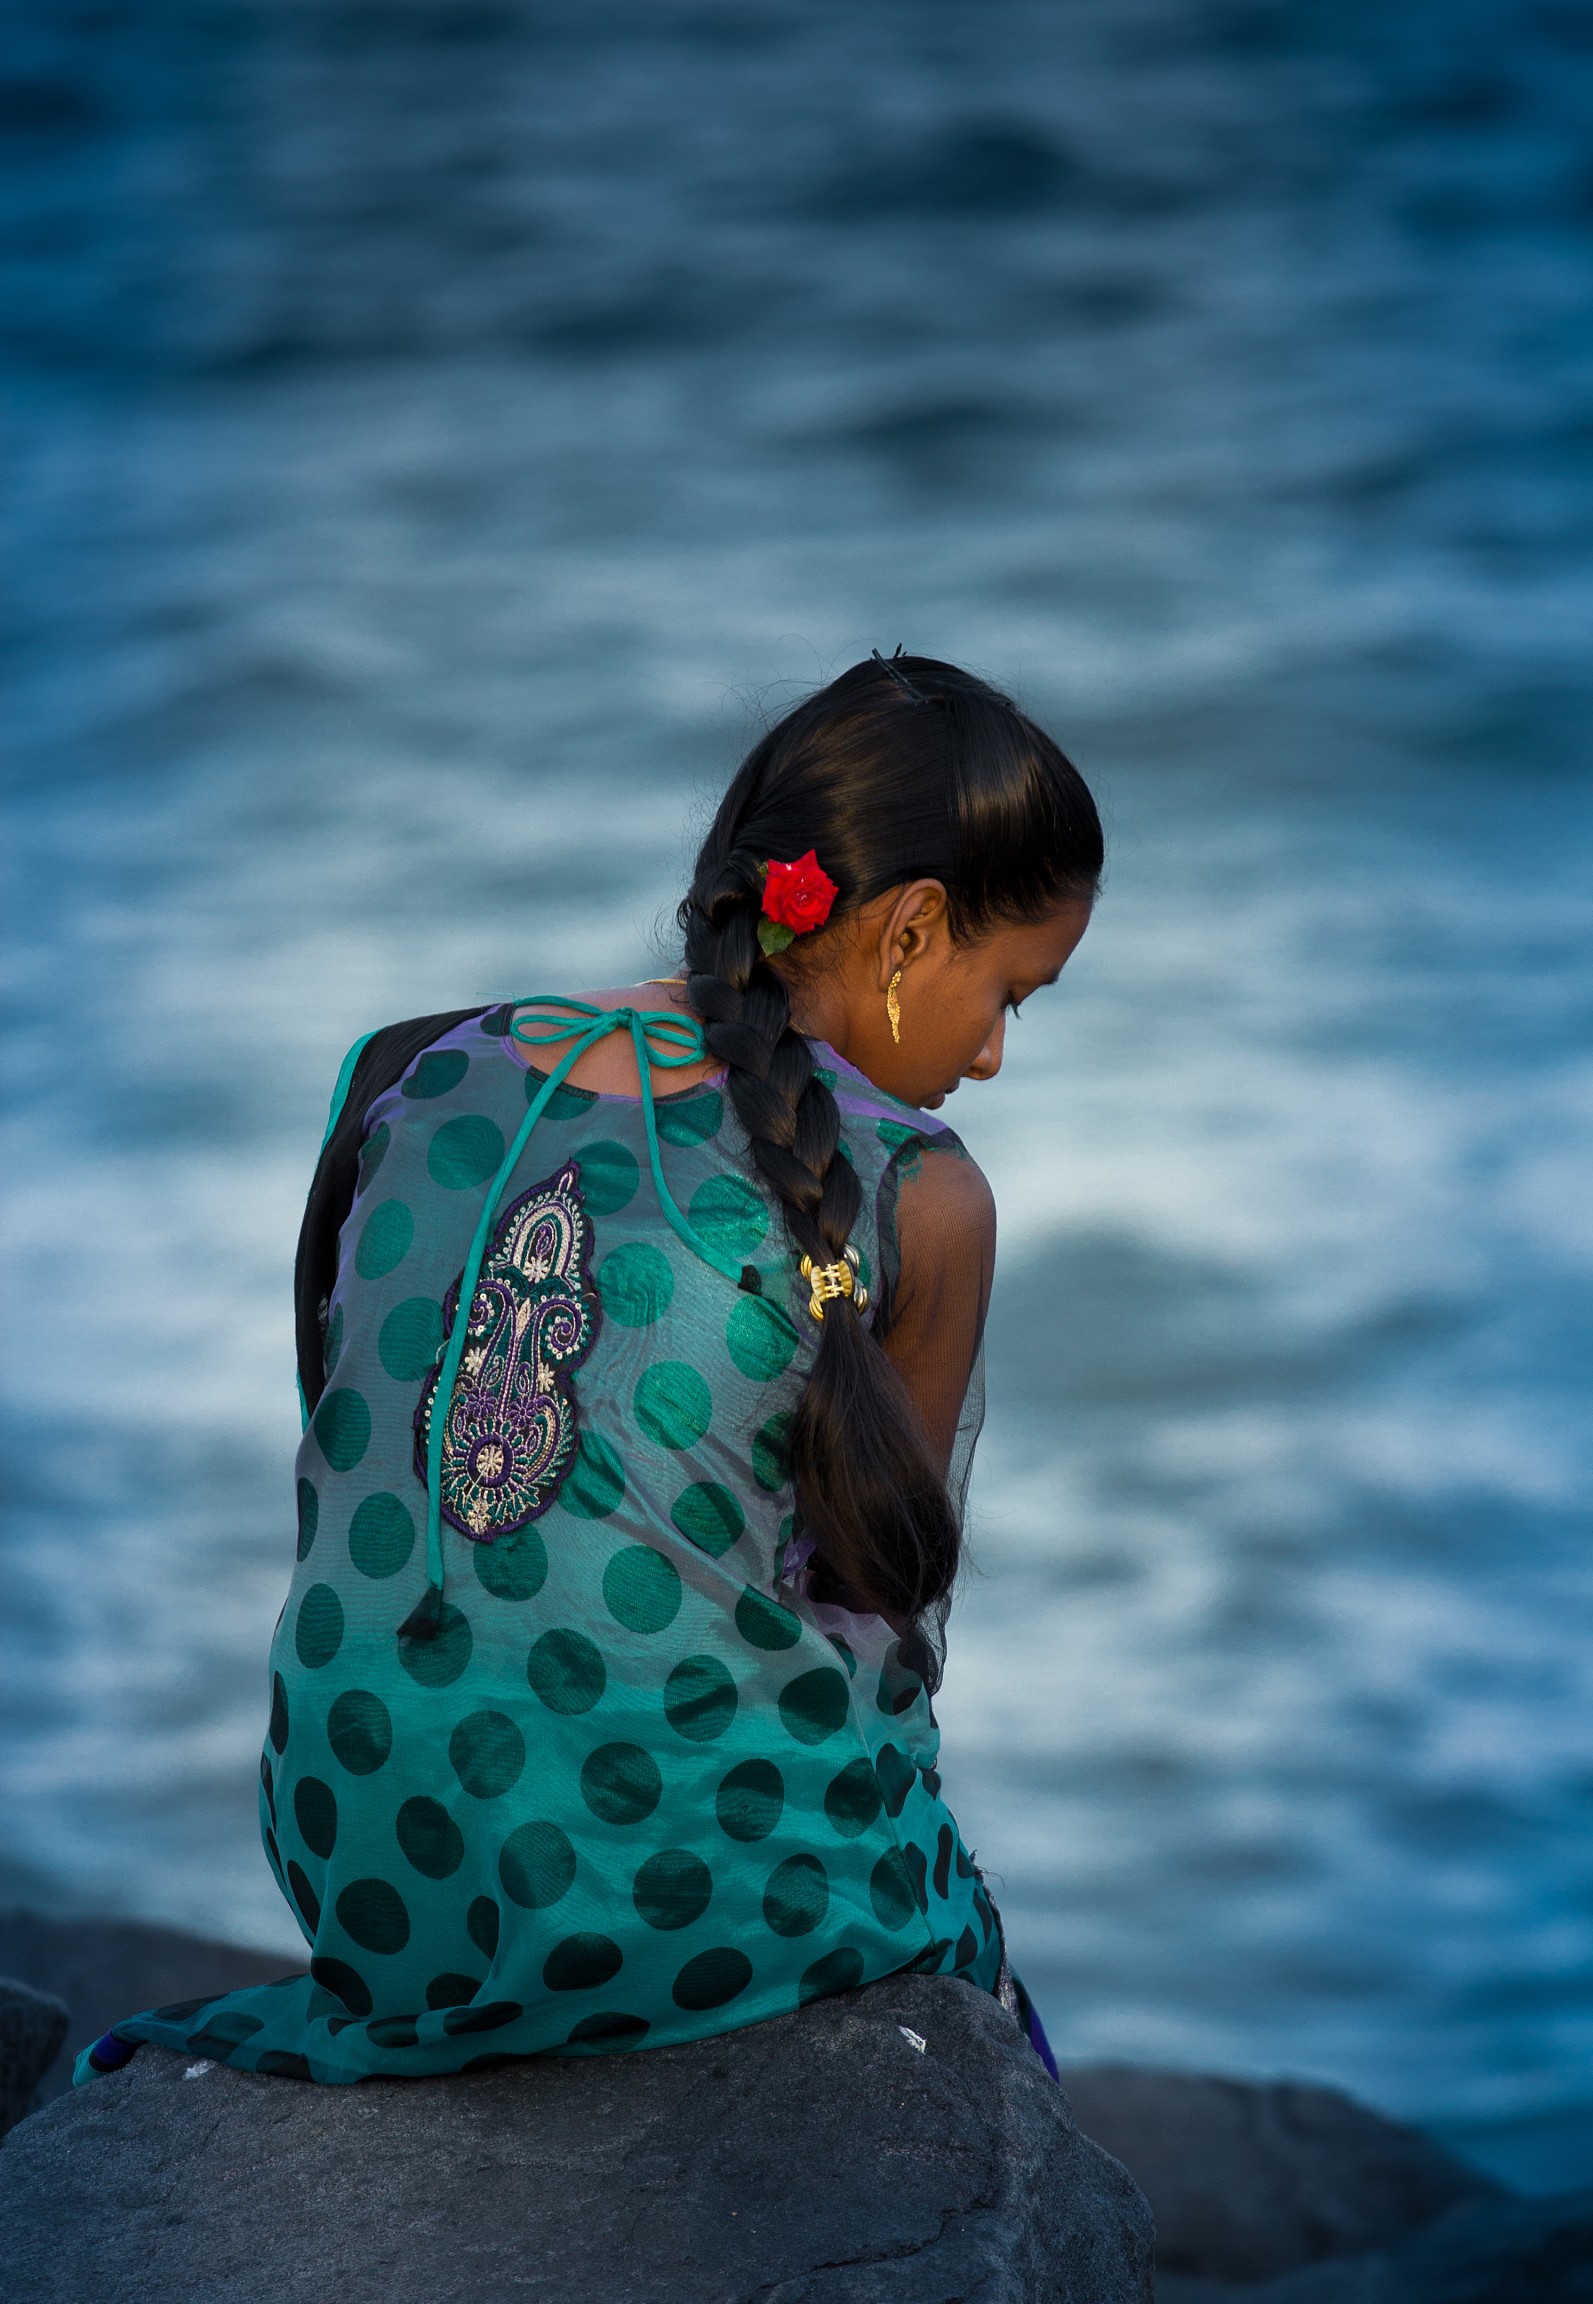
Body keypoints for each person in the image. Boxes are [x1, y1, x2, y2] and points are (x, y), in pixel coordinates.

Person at [76, 651, 1100, 2089]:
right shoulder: (922, 1191)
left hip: (372, 1852)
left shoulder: (409, 1068)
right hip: (676, 1895)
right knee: (985, 1994)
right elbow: (882, 1614)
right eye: (1011, 995)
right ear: (910, 929)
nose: (992, 1055)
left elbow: (361, 1433)